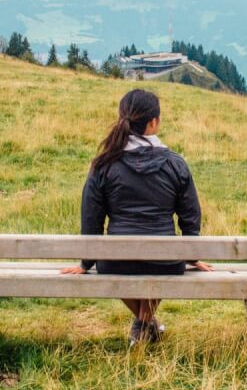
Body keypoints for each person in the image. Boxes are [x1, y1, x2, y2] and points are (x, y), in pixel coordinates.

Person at [60, 88, 213, 346]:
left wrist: (87, 262)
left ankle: (143, 326)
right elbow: (190, 216)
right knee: (156, 264)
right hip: (166, 261)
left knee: (128, 265)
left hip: (115, 262)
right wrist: (192, 255)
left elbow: (91, 218)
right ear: (153, 122)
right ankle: (145, 324)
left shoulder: (103, 165)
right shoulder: (176, 164)